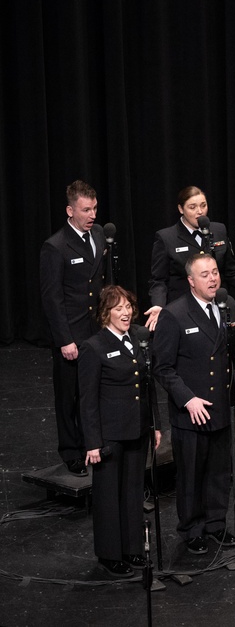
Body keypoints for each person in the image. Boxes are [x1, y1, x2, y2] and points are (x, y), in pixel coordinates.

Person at [152, 253, 235, 554]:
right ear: (191, 281)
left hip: (220, 403)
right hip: (192, 410)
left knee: (220, 471)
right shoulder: (175, 314)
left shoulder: (227, 304)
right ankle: (192, 529)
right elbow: (162, 368)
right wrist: (187, 399)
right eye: (205, 275)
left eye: (215, 272)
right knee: (192, 473)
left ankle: (216, 525)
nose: (212, 279)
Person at [79, 286, 161, 577]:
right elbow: (87, 400)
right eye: (118, 308)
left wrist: (155, 424)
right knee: (108, 496)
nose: (126, 313)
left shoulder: (136, 340)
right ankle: (110, 554)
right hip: (110, 435)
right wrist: (92, 443)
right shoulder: (94, 346)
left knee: (132, 493)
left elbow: (147, 384)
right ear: (105, 314)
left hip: (137, 429)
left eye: (128, 307)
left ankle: (132, 549)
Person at [39, 180, 107, 476]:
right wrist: (65, 339)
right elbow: (52, 298)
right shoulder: (55, 246)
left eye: (94, 208)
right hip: (72, 334)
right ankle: (71, 450)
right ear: (70, 210)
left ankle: (93, 442)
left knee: (95, 391)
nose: (92, 214)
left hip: (96, 331)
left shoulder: (100, 235)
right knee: (69, 396)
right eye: (85, 210)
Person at [145, 186, 235, 330]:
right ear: (181, 209)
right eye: (192, 207)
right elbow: (159, 280)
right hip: (183, 311)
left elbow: (231, 271)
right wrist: (159, 305)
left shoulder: (218, 230)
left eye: (203, 205)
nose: (199, 212)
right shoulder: (167, 237)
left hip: (216, 307)